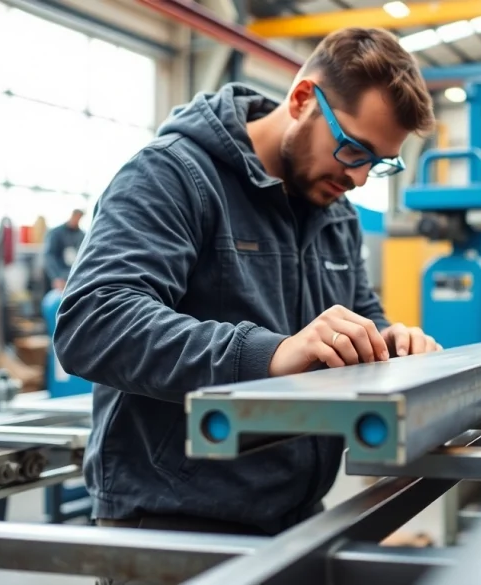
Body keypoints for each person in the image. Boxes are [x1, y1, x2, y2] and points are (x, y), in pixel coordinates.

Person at [53, 27, 442, 547]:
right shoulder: (173, 175)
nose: (361, 179)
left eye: (379, 163)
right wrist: (271, 353)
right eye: (353, 150)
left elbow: (361, 316)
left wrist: (391, 342)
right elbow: (95, 322)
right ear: (303, 98)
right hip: (175, 523)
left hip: (296, 514)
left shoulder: (335, 213)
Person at [43, 209, 85, 291]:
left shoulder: (81, 235)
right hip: (56, 275)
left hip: (72, 276)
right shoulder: (56, 233)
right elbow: (49, 256)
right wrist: (55, 277)